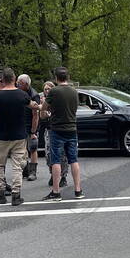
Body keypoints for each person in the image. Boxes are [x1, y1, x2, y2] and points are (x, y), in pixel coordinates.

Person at [0, 67, 37, 206]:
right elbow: (33, 106)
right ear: (15, 79)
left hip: (1, 135)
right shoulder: (22, 95)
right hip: (19, 135)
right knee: (17, 166)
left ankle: (0, 193)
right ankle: (16, 195)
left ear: (2, 80)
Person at [43, 66, 82, 200]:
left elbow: (44, 107)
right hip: (72, 129)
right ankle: (78, 190)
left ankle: (56, 192)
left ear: (56, 78)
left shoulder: (54, 91)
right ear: (68, 77)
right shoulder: (74, 91)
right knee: (73, 160)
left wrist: (44, 113)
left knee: (56, 160)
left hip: (57, 129)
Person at [39, 81, 69, 188]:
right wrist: (43, 108)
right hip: (48, 130)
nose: (47, 91)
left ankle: (63, 176)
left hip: (59, 129)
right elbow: (42, 117)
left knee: (62, 154)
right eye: (45, 89)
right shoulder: (44, 100)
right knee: (49, 154)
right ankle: (53, 174)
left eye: (49, 89)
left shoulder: (58, 99)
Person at [16, 74, 40, 181]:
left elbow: (36, 115)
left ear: (25, 84)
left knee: (33, 148)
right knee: (21, 150)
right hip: (20, 125)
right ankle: (25, 170)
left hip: (30, 126)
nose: (17, 84)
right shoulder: (17, 92)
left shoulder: (34, 95)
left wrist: (33, 131)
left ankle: (33, 172)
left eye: (19, 83)